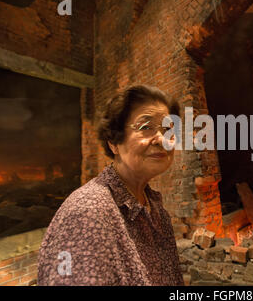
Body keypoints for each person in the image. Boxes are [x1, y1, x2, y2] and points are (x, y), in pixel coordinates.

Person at [38, 85, 184, 286]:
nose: (162, 139)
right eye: (145, 127)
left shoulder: (155, 207)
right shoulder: (88, 211)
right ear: (113, 143)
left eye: (168, 129)